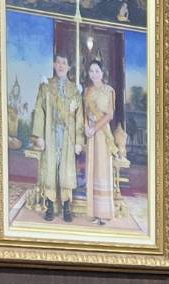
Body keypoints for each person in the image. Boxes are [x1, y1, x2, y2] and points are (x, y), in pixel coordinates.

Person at [28, 52, 82, 223]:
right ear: (54, 65)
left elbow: (80, 117)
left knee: (66, 170)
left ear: (69, 67)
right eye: (58, 62)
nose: (61, 66)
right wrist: (39, 136)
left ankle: (66, 206)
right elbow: (39, 111)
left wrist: (79, 141)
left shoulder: (75, 90)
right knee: (50, 168)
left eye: (64, 63)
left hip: (67, 136)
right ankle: (50, 206)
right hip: (50, 134)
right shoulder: (46, 87)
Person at [82, 59, 117, 224]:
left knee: (103, 169)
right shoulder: (87, 91)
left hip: (103, 133)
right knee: (93, 169)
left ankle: (104, 214)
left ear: (102, 73)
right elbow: (84, 112)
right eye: (91, 71)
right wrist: (86, 128)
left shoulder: (109, 91)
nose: (94, 74)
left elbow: (109, 115)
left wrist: (94, 128)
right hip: (91, 135)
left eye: (97, 70)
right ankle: (94, 212)